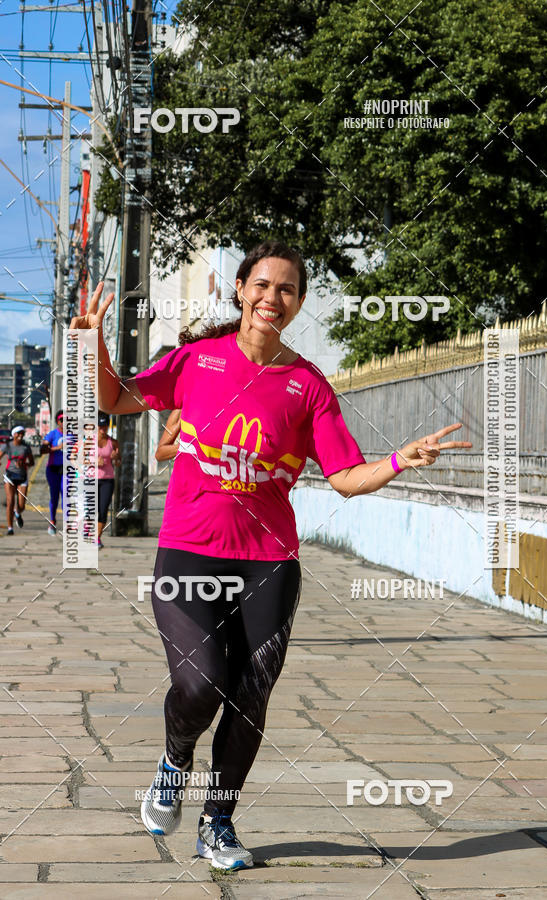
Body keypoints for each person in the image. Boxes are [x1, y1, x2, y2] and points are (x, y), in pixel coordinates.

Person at [70, 241, 472, 872]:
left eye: (286, 290)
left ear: (299, 303)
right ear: (239, 290)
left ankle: (218, 823)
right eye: (262, 285)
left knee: (251, 695)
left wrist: (399, 460)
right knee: (200, 684)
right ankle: (174, 763)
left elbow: (343, 476)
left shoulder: (307, 384)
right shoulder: (196, 360)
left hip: (269, 563)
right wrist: (90, 344)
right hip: (190, 553)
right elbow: (116, 399)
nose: (271, 299)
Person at [0, 425, 34, 534]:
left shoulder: (26, 447)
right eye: (19, 433)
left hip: (22, 477)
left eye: (22, 433)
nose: (21, 435)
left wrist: (24, 463)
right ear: (14, 435)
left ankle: (17, 513)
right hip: (10, 476)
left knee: (22, 506)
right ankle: (10, 528)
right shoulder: (7, 446)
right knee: (10, 502)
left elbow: (32, 462)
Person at [96, 413, 121, 548]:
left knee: (103, 509)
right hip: (91, 480)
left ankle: (97, 538)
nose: (102, 429)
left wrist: (116, 457)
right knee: (90, 509)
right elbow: (77, 459)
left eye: (105, 426)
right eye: (100, 426)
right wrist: (93, 462)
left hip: (107, 480)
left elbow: (118, 463)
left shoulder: (113, 442)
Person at [40, 410, 64, 536]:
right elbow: (43, 450)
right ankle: (52, 521)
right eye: (62, 420)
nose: (64, 422)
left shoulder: (73, 434)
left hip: (67, 469)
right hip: (53, 469)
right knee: (54, 497)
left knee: (66, 496)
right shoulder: (52, 434)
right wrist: (57, 448)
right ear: (57, 422)